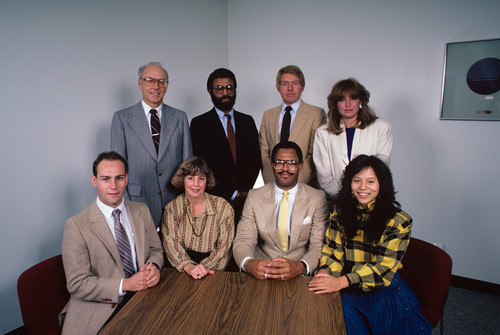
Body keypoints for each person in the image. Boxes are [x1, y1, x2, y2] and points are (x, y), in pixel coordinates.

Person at [308, 155, 431, 335]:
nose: (363, 187)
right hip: (347, 286)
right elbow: (333, 252)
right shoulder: (338, 212)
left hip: (383, 290)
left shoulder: (400, 221)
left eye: (370, 181)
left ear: (382, 185)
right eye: (357, 180)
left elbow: (383, 268)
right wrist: (326, 271)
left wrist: (342, 281)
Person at [60, 152, 164, 334]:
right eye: (106, 179)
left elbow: (156, 249)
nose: (113, 186)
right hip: (99, 309)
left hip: (143, 296)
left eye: (119, 178)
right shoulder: (76, 225)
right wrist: (126, 284)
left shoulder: (141, 210)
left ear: (126, 179)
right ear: (94, 181)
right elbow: (77, 284)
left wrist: (153, 266)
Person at [111, 61, 192, 227]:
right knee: (143, 252)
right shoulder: (122, 119)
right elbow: (117, 168)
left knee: (174, 251)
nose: (156, 86)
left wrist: (186, 199)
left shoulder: (180, 117)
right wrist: (124, 202)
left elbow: (188, 164)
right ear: (140, 83)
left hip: (174, 200)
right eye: (150, 80)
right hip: (137, 200)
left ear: (167, 86)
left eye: (162, 81)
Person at [232, 141, 328, 280]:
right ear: (272, 165)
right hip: (262, 272)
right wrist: (249, 264)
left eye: (292, 163)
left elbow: (318, 245)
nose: (285, 168)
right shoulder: (254, 196)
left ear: (300, 166)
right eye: (279, 162)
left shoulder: (317, 198)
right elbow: (243, 240)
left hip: (299, 274)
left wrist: (300, 267)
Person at [190, 68, 261, 224]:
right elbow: (202, 165)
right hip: (215, 199)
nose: (225, 93)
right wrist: (231, 193)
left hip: (245, 199)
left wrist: (243, 191)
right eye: (219, 88)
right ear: (210, 91)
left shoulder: (247, 121)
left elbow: (255, 160)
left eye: (229, 88)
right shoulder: (199, 124)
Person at [313, 78, 392, 199]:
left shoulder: (382, 128)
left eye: (353, 98)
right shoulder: (323, 133)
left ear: (361, 100)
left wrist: (361, 194)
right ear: (335, 103)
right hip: (337, 201)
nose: (348, 104)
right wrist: (346, 197)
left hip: (371, 199)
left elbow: (380, 169)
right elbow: (324, 177)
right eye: (341, 99)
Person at [161, 156, 235, 279]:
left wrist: (202, 270)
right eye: (190, 178)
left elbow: (224, 249)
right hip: (181, 270)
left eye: (201, 178)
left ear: (207, 180)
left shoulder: (223, 208)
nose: (196, 184)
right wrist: (189, 267)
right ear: (182, 180)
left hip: (214, 272)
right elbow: (171, 244)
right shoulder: (172, 208)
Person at [259, 65, 326, 186]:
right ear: (278, 88)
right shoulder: (268, 115)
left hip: (304, 186)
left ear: (302, 87)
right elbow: (264, 153)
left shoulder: (316, 114)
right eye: (285, 84)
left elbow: (314, 155)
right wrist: (274, 183)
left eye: (294, 83)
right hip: (273, 185)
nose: (290, 88)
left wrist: (293, 184)